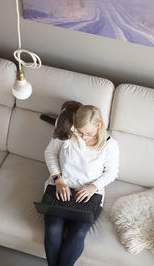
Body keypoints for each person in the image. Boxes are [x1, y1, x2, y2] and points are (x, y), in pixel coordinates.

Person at [43, 105, 119, 266]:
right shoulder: (67, 131)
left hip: (89, 194)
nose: (83, 138)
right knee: (53, 230)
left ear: (99, 125)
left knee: (77, 233)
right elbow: (50, 153)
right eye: (80, 132)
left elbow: (112, 172)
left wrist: (93, 187)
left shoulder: (109, 145)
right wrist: (58, 180)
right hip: (60, 186)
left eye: (88, 133)